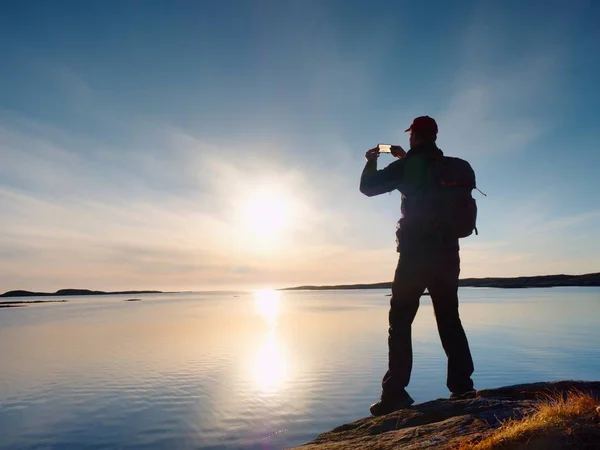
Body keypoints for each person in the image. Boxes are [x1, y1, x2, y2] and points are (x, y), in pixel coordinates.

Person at [360, 116, 475, 416]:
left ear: (413, 137)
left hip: (414, 255)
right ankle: (463, 388)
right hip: (449, 253)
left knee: (400, 323)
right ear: (434, 136)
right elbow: (429, 182)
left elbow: (368, 188)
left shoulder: (408, 166)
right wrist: (406, 159)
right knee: (450, 319)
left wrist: (371, 161)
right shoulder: (454, 166)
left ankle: (395, 394)